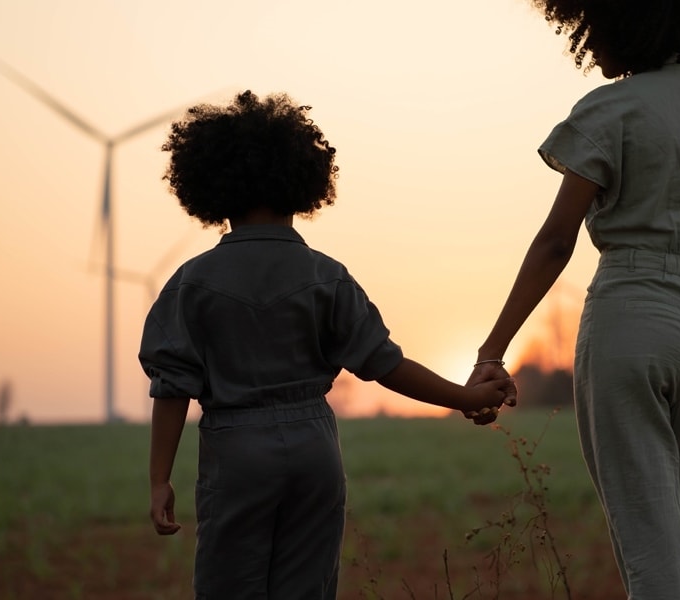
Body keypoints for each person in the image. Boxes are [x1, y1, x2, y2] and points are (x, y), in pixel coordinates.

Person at [138, 90, 515, 600]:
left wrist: (160, 478)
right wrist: (465, 398)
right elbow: (386, 364)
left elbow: (172, 384)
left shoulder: (192, 282)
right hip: (314, 447)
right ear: (303, 183)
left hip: (236, 446)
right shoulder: (325, 276)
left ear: (211, 189)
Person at [465, 0, 680, 597]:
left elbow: (557, 242)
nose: (591, 51)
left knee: (649, 532)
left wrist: (493, 347)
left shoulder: (613, 108)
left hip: (631, 315)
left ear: (621, 24)